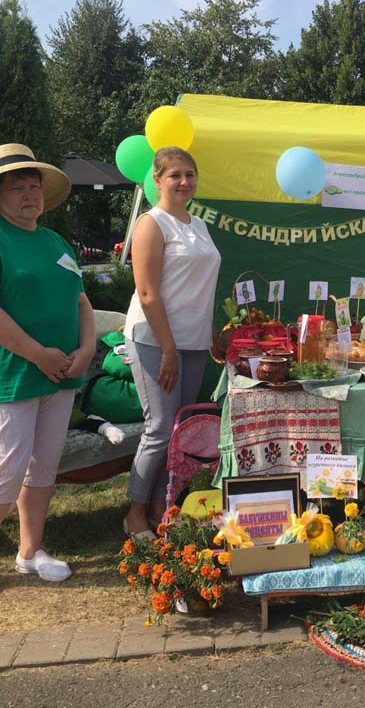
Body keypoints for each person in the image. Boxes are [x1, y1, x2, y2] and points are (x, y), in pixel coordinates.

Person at [0, 143, 95, 608]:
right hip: (10, 373)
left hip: (61, 374)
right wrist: (38, 354)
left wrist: (87, 348)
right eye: (18, 185)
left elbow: (80, 302)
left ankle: (30, 551)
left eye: (35, 184)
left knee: (44, 464)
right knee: (5, 470)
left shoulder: (54, 242)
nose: (29, 192)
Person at [122, 146, 221, 540]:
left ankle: (163, 507)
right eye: (175, 175)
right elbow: (147, 293)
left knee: (179, 429)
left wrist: (212, 336)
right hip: (154, 339)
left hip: (193, 341)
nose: (184, 181)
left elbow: (201, 288)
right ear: (157, 181)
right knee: (161, 427)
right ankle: (133, 512)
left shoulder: (199, 225)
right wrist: (167, 349)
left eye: (190, 174)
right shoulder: (151, 224)